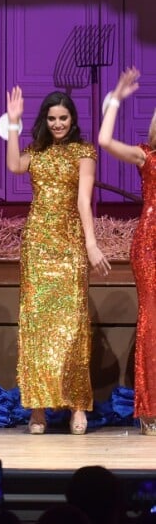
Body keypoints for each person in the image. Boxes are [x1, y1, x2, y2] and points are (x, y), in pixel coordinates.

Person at [5, 87, 111, 435]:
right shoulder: (35, 150)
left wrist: (92, 244)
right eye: (51, 118)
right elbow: (12, 166)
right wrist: (14, 123)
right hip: (37, 243)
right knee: (36, 324)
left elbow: (84, 201)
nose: (57, 124)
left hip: (68, 244)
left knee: (72, 326)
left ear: (72, 119)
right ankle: (37, 409)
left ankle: (77, 405)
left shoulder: (84, 152)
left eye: (63, 118)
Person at [98, 67, 156, 436]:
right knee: (153, 324)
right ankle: (150, 408)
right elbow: (104, 141)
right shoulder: (147, 156)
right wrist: (116, 99)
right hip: (152, 245)